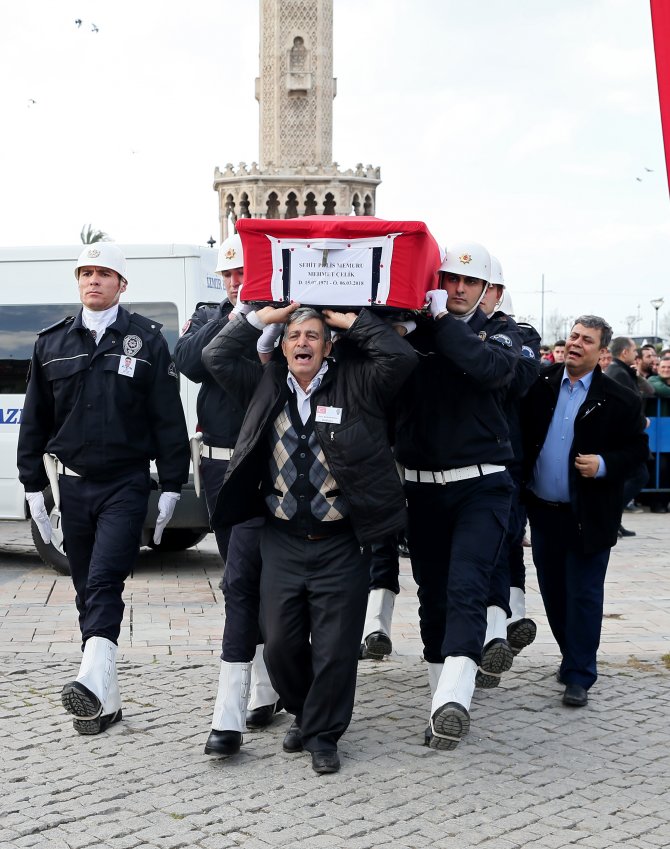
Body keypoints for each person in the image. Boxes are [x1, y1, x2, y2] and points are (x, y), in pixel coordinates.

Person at [203, 304, 417, 774]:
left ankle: (323, 735)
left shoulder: (356, 383)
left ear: (328, 346)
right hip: (280, 537)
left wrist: (347, 319)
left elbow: (401, 359)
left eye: (313, 336)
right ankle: (305, 711)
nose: (302, 342)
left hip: (341, 540)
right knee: (279, 644)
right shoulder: (265, 385)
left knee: (336, 648)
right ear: (281, 345)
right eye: (294, 335)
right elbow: (215, 354)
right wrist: (264, 315)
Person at [17, 243, 189, 735]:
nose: (94, 280)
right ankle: (104, 700)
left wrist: (172, 482)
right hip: (71, 486)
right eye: (86, 273)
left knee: (104, 579)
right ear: (78, 282)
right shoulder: (51, 342)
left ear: (122, 284)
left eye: (104, 273)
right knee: (82, 587)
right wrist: (33, 486)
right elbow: (35, 421)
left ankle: (90, 678)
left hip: (125, 482)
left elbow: (167, 418)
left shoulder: (147, 340)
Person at [394, 241, 520, 750]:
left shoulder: (502, 333)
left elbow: (490, 369)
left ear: (488, 290)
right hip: (423, 488)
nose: (460, 288)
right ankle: (439, 700)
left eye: (471, 282)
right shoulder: (415, 331)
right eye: (450, 279)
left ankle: (455, 698)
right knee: (433, 596)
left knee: (468, 588)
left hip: (482, 485)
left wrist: (442, 324)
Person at [173, 233, 282, 757]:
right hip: (217, 465)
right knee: (241, 577)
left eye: (246, 274)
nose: (238, 282)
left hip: (264, 466)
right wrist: (239, 314)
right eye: (230, 275)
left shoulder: (284, 312)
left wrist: (264, 316)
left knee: (246, 579)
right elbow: (190, 361)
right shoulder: (212, 311)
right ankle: (263, 688)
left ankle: (241, 701)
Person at [521, 316, 648, 708]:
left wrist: (604, 464)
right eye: (573, 336)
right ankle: (570, 656)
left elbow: (637, 454)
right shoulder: (538, 384)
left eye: (586, 340)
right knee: (555, 594)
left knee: (584, 595)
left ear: (601, 352)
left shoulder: (620, 398)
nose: (576, 343)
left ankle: (579, 674)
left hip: (589, 514)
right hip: (543, 512)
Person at [477, 259, 540, 687]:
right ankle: (498, 628)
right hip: (477, 454)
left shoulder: (522, 337)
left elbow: (516, 380)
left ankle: (501, 626)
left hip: (507, 456)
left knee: (503, 542)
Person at [605, 337, 650, 534]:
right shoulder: (618, 373)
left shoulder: (622, 371)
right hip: (622, 439)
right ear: (624, 352)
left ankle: (614, 520)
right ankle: (609, 517)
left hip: (622, 438)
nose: (636, 354)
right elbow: (624, 406)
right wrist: (641, 421)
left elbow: (648, 390)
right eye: (633, 350)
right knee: (640, 475)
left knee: (628, 478)